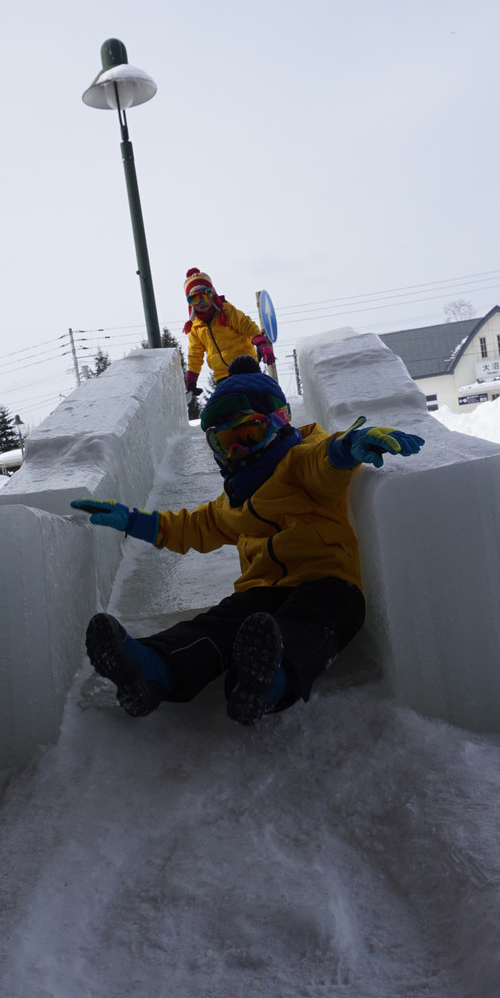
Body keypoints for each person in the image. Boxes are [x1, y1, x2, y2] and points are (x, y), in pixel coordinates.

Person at [71, 356, 424, 726]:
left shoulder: (299, 464)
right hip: (261, 593)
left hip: (328, 580)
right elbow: (191, 528)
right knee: (222, 623)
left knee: (319, 618)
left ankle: (268, 681)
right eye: (224, 443)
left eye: (249, 433)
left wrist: (348, 447)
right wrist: (132, 520)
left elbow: (325, 463)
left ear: (280, 423)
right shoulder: (233, 501)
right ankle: (154, 667)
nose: (238, 451)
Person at [182, 268, 274, 398]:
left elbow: (246, 324)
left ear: (213, 294)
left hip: (245, 366)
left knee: (255, 398)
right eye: (195, 299)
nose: (201, 302)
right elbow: (195, 354)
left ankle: (269, 414)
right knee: (228, 407)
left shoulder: (225, 312)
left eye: (205, 295)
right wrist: (191, 379)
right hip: (222, 376)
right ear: (190, 303)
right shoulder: (195, 327)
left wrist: (262, 343)